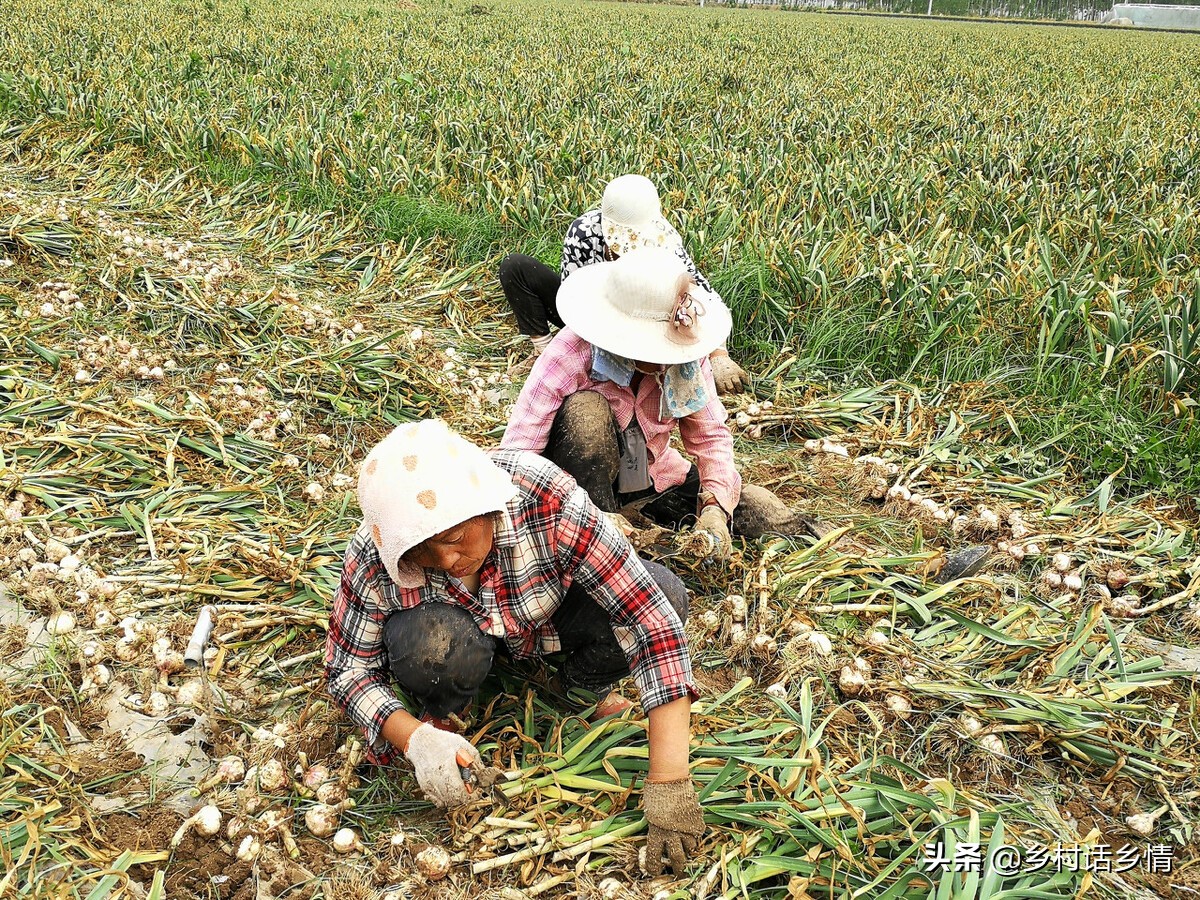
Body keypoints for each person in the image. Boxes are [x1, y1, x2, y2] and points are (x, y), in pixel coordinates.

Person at [325, 419, 705, 876]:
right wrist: (414, 739)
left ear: (485, 506)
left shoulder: (544, 500)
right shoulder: (378, 550)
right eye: (423, 553)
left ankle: (579, 690)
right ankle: (444, 711)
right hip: (456, 636)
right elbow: (348, 669)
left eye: (452, 539)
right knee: (432, 646)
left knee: (666, 592)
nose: (447, 561)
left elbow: (650, 621)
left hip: (544, 623)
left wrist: (669, 782)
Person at [500, 246, 816, 560]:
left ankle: (802, 530)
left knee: (750, 508)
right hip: (577, 489)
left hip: (652, 475)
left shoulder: (687, 357)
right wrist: (573, 508)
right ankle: (599, 529)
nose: (659, 359)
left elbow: (711, 437)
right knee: (587, 412)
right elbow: (517, 454)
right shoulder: (571, 354)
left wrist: (715, 508)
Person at [498, 173, 750, 395]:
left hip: (640, 324)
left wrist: (719, 355)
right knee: (516, 267)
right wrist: (559, 358)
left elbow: (700, 294)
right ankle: (543, 352)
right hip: (592, 314)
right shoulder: (584, 232)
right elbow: (571, 293)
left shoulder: (665, 244)